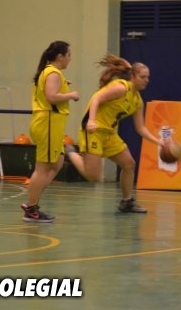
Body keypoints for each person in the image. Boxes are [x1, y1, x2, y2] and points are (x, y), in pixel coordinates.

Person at [66, 55, 162, 213]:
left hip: (110, 133)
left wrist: (159, 142)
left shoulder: (137, 101)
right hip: (93, 130)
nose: (146, 80)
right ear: (133, 76)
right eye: (143, 77)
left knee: (129, 164)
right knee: (94, 176)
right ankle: (70, 152)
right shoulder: (121, 88)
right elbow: (96, 99)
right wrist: (91, 120)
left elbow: (141, 128)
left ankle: (127, 202)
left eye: (148, 77)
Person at [22, 41, 80, 222]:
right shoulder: (53, 73)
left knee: (57, 163)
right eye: (69, 55)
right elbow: (51, 97)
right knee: (43, 168)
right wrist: (71, 94)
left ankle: (33, 197)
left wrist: (63, 85)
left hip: (51, 125)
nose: (70, 59)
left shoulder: (50, 73)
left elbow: (49, 91)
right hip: (47, 124)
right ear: (60, 57)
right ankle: (31, 208)